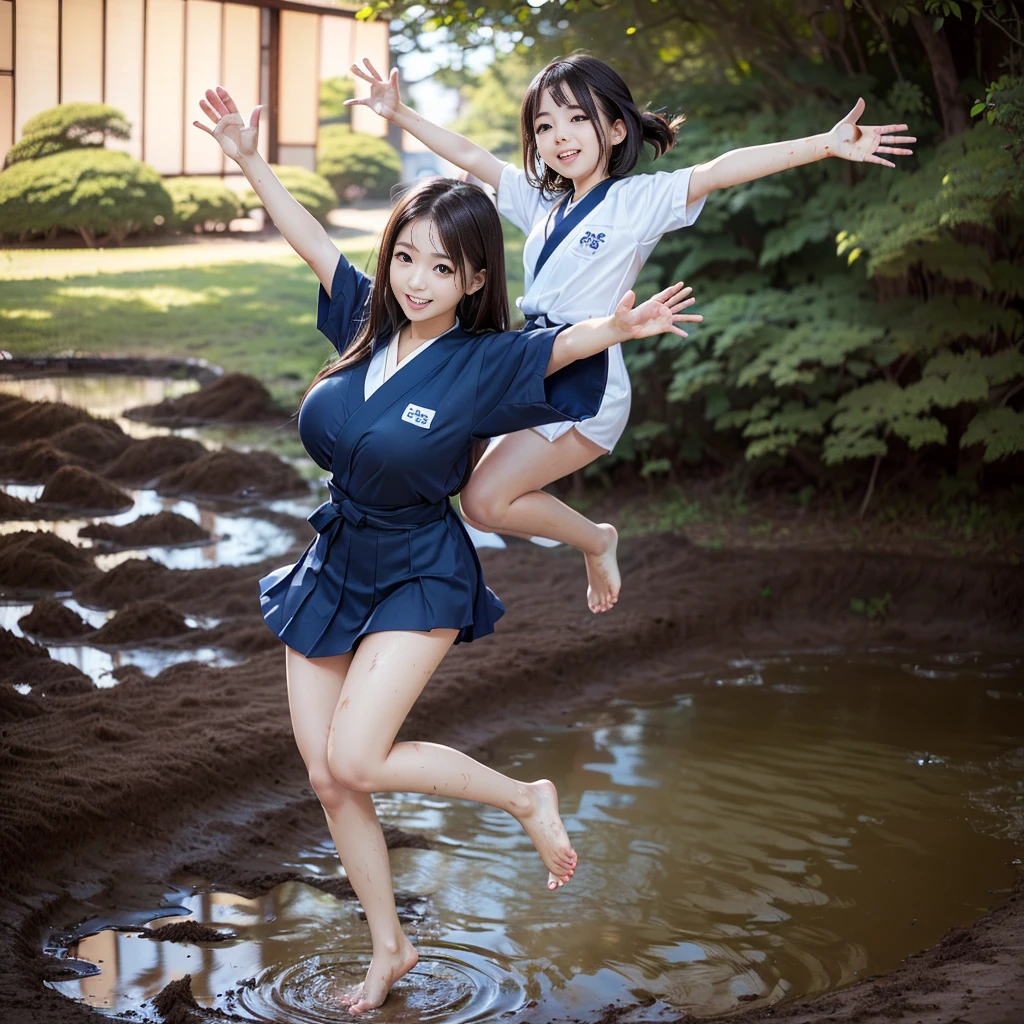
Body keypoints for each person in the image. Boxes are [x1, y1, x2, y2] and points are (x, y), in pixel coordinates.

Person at [193, 85, 702, 1014]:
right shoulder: (362, 322)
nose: (417, 279)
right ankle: (390, 949)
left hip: (420, 570)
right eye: (407, 258)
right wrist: (245, 155)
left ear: (474, 280)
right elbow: (309, 238)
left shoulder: (483, 360)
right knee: (324, 774)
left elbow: (564, 350)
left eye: (442, 267)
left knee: (356, 757)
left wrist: (618, 328)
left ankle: (525, 798)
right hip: (335, 559)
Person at [346, 53, 916, 614]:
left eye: (576, 119)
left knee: (482, 502)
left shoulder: (637, 201)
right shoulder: (541, 202)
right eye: (544, 125)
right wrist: (398, 114)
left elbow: (721, 168)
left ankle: (597, 540)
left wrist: (825, 143)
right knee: (456, 472)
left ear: (616, 129)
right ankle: (416, 554)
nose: (559, 136)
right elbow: (472, 154)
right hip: (527, 362)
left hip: (584, 379)